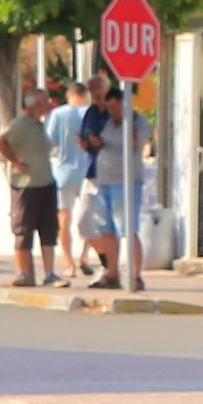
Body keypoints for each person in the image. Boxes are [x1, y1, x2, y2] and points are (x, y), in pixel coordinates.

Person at [0, 81, 66, 288]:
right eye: (44, 102)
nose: (48, 106)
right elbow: (0, 140)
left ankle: (50, 272)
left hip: (45, 182)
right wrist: (15, 161)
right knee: (23, 229)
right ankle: (23, 272)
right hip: (26, 185)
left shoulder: (39, 126)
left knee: (48, 230)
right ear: (34, 104)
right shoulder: (20, 124)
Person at [74, 80, 141, 287]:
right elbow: (87, 139)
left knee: (126, 227)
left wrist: (102, 143)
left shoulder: (123, 117)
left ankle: (134, 276)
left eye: (99, 89)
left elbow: (131, 144)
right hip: (94, 173)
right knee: (86, 223)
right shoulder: (91, 113)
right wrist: (86, 144)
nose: (96, 93)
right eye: (92, 90)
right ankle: (109, 267)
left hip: (120, 176)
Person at [44, 76, 91, 283]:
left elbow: (49, 141)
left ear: (69, 95)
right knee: (92, 216)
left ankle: (69, 263)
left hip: (62, 171)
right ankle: (85, 255)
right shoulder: (90, 113)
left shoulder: (58, 113)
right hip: (88, 171)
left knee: (64, 219)